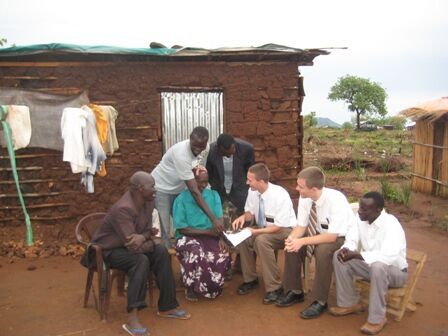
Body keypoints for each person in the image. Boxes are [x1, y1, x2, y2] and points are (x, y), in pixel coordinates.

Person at [92, 171, 190, 336]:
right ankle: (132, 317)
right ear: (139, 188)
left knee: (161, 252)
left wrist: (146, 237)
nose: (155, 190)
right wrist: (150, 239)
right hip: (108, 251)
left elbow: (146, 232)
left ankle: (167, 306)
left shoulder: (147, 202)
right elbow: (135, 247)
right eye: (152, 186)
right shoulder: (123, 209)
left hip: (129, 247)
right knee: (140, 260)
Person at [277, 166, 355, 320]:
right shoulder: (305, 198)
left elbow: (332, 237)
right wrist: (292, 239)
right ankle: (295, 291)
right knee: (292, 246)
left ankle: (319, 300)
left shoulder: (336, 200)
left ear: (313, 189)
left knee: (323, 251)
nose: (297, 188)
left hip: (340, 238)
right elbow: (301, 226)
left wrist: (302, 241)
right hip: (317, 233)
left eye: (300, 186)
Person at [329, 191, 408, 335]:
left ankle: (377, 319)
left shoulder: (391, 224)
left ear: (378, 210)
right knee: (339, 256)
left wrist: (358, 255)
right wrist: (347, 249)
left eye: (364, 209)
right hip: (371, 267)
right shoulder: (360, 218)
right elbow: (352, 239)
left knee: (378, 266)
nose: (359, 211)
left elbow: (387, 256)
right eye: (360, 207)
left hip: (395, 273)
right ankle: (350, 303)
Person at [232, 163, 296, 304]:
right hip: (263, 228)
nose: (247, 182)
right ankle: (250, 279)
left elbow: (278, 227)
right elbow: (250, 213)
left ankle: (274, 287)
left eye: (250, 180)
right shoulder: (252, 192)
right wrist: (243, 217)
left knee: (261, 240)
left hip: (285, 231)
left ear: (261, 181)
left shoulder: (280, 195)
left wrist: (254, 232)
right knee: (243, 237)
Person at [151, 126, 223, 248]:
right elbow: (194, 191)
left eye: (201, 147)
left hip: (179, 188)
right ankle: (166, 263)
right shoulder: (181, 154)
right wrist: (213, 219)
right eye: (194, 146)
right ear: (190, 139)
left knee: (186, 223)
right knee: (165, 229)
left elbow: (199, 170)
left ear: (206, 143)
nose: (197, 150)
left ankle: (188, 255)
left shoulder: (205, 149)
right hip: (162, 188)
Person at [173, 166, 232, 301]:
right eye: (200, 182)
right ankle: (192, 287)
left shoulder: (213, 195)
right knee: (196, 251)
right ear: (191, 181)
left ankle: (213, 286)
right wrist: (208, 232)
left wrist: (221, 238)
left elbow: (219, 220)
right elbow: (182, 229)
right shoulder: (181, 199)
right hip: (187, 237)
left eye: (206, 182)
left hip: (210, 236)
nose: (203, 185)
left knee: (221, 253)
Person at [206, 133, 255, 228]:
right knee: (221, 218)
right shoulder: (211, 151)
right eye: (227, 152)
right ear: (220, 149)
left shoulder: (246, 149)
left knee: (242, 217)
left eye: (233, 149)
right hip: (219, 188)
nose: (232, 152)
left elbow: (249, 170)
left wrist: (245, 186)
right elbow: (209, 172)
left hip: (239, 188)